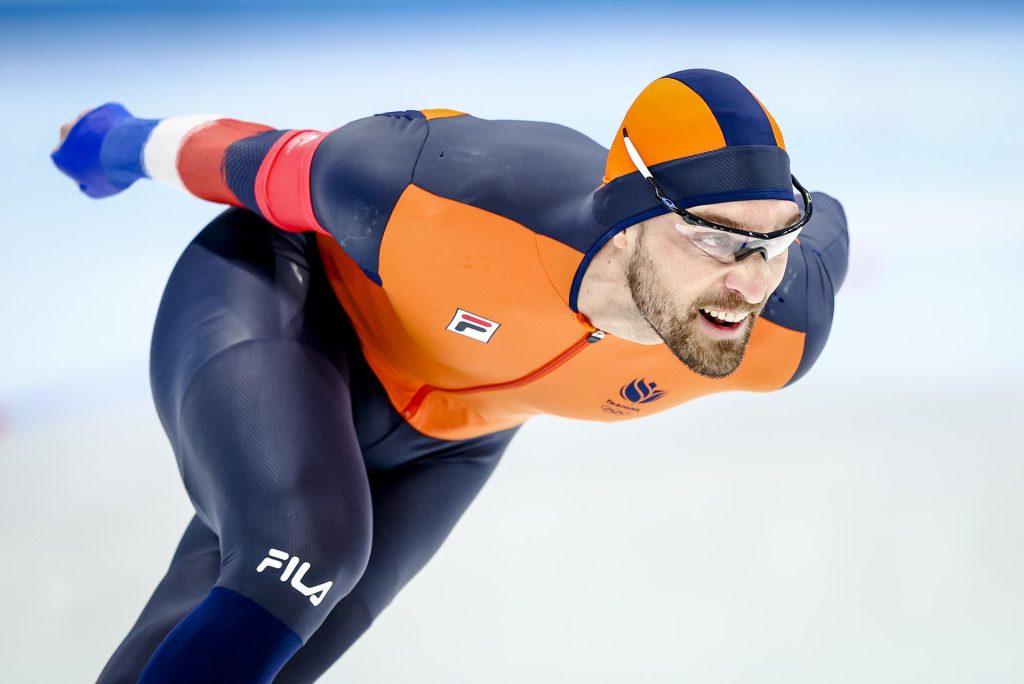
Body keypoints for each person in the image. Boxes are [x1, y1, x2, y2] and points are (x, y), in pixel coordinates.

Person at [52, 68, 849, 683]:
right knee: (305, 553)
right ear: (629, 218)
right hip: (287, 304)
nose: (750, 282)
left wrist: (768, 238)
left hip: (449, 444)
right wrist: (112, 141)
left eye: (776, 241)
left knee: (263, 647)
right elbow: (247, 162)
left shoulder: (782, 327)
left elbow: (831, 232)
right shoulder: (444, 191)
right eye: (716, 241)